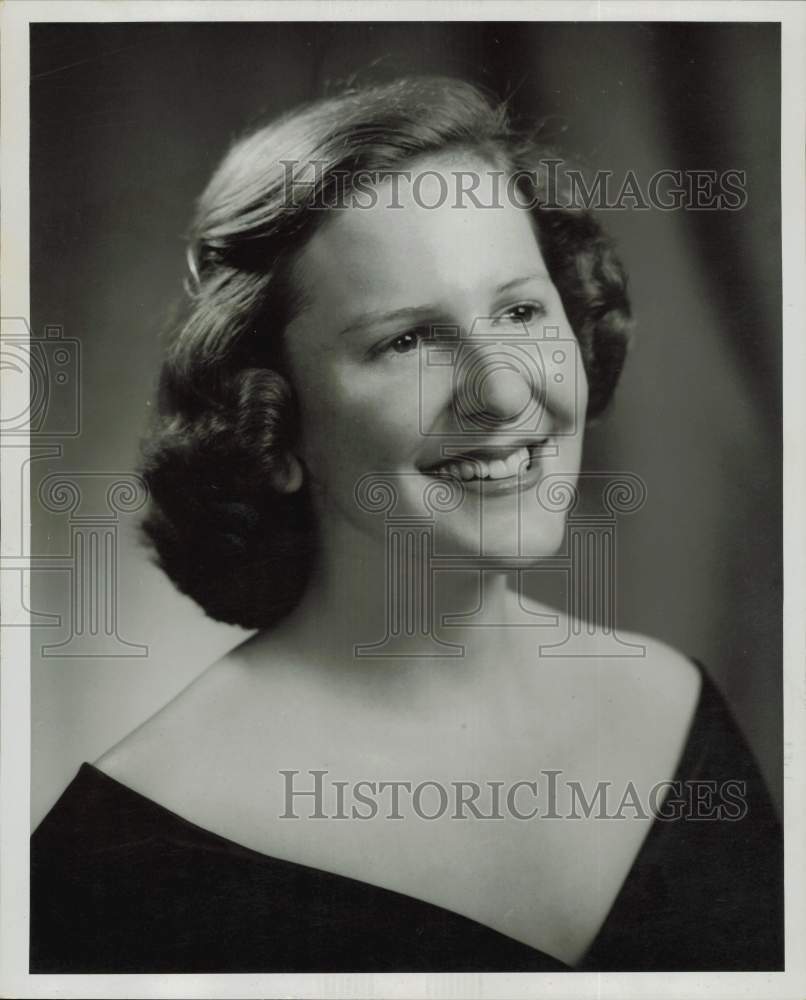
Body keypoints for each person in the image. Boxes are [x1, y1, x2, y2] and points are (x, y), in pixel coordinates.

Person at [30, 76, 782, 974]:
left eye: (518, 310)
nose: (504, 390)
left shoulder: (680, 710)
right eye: (407, 341)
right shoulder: (122, 860)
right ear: (268, 427)